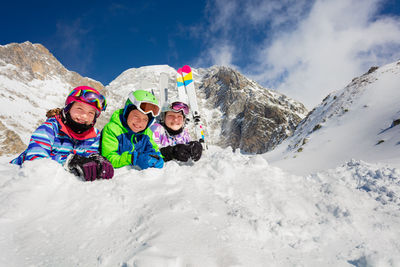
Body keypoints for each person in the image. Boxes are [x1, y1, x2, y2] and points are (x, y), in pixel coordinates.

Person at [10, 86, 114, 181]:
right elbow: (35, 159)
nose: (84, 116)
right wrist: (70, 161)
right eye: (79, 109)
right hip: (15, 177)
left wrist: (97, 160)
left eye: (91, 113)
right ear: (68, 109)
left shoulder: (94, 136)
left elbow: (89, 155)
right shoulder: (50, 128)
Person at [101, 90, 164, 170]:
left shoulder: (147, 133)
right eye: (136, 116)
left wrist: (157, 159)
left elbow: (153, 150)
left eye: (145, 119)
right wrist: (132, 158)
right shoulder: (112, 129)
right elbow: (108, 158)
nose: (140, 122)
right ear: (127, 112)